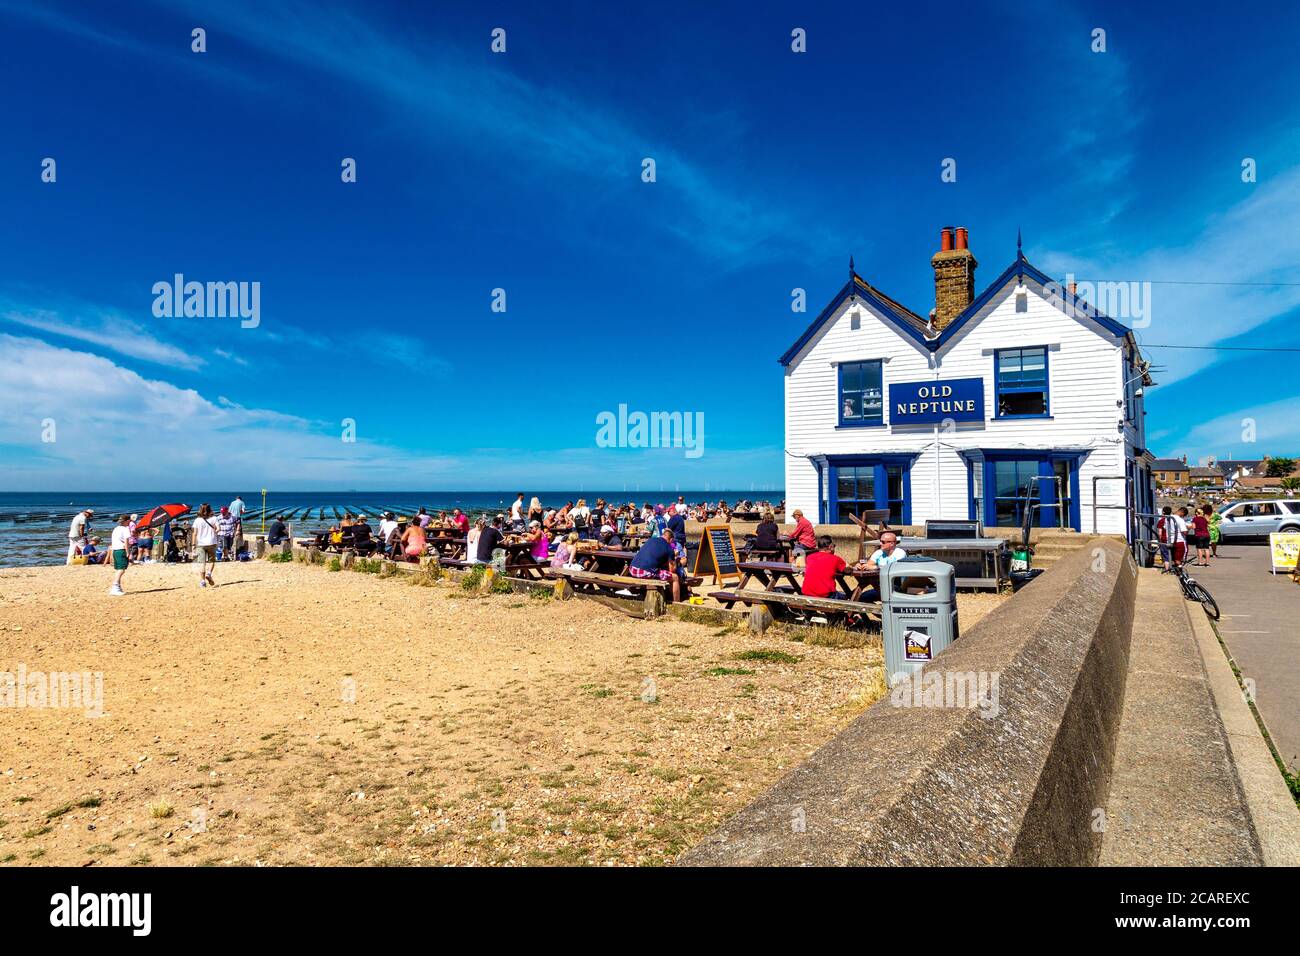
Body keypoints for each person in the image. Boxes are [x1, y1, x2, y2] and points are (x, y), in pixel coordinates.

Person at [629, 528, 683, 602]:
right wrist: (674, 556)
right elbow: (672, 570)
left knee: (658, 570)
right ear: (671, 540)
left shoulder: (651, 540)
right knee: (675, 577)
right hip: (644, 572)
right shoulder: (669, 548)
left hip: (632, 569)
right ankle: (677, 602)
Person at [191, 503, 220, 587]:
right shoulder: (214, 518)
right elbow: (219, 529)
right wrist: (215, 531)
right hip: (212, 542)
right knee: (212, 561)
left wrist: (193, 545)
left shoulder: (197, 520)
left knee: (202, 563)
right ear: (210, 509)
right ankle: (209, 573)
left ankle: (203, 581)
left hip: (200, 544)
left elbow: (194, 533)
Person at [107, 515, 132, 596]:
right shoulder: (125, 529)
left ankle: (118, 587)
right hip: (121, 549)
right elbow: (126, 541)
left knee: (119, 569)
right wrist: (128, 552)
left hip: (115, 550)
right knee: (121, 569)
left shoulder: (116, 529)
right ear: (126, 521)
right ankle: (115, 587)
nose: (130, 522)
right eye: (129, 521)